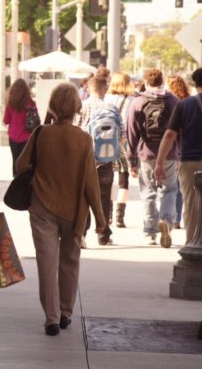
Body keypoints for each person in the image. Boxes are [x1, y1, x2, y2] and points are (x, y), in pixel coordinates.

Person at [16, 83, 106, 336]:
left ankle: (52, 318)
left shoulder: (41, 133)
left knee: (47, 263)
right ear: (76, 107)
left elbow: (21, 165)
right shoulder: (84, 139)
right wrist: (100, 219)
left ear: (53, 106)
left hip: (42, 207)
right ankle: (66, 312)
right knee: (70, 261)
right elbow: (91, 183)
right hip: (74, 211)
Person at [126, 68, 180, 248]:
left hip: (146, 154)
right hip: (169, 153)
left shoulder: (138, 102)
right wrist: (179, 154)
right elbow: (180, 131)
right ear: (162, 81)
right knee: (169, 190)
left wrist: (131, 159)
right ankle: (166, 221)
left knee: (148, 192)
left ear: (146, 82)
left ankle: (150, 231)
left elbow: (131, 132)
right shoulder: (173, 101)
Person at [155, 68, 202, 244]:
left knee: (191, 205)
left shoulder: (184, 105)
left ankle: (192, 243)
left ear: (195, 83)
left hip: (190, 161)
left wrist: (159, 162)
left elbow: (170, 135)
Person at [75, 75, 119, 246]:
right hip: (105, 160)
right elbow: (121, 136)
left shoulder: (81, 106)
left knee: (84, 197)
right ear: (104, 89)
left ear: (88, 88)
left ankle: (81, 234)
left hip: (84, 160)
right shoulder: (111, 108)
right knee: (104, 198)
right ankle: (103, 234)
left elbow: (74, 130)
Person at [103, 72, 136, 228]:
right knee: (123, 180)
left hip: (107, 143)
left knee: (108, 179)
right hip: (124, 144)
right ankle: (119, 218)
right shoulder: (131, 100)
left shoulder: (106, 99)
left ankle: (108, 214)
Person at [166, 74, 191, 229]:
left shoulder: (171, 103)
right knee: (182, 187)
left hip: (174, 147)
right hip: (186, 146)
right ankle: (177, 219)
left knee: (173, 185)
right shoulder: (189, 102)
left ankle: (173, 217)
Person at [3, 78, 38, 176]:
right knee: (25, 161)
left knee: (15, 159)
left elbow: (6, 121)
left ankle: (15, 177)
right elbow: (35, 119)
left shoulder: (10, 104)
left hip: (13, 137)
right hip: (27, 137)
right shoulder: (31, 103)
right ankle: (23, 179)